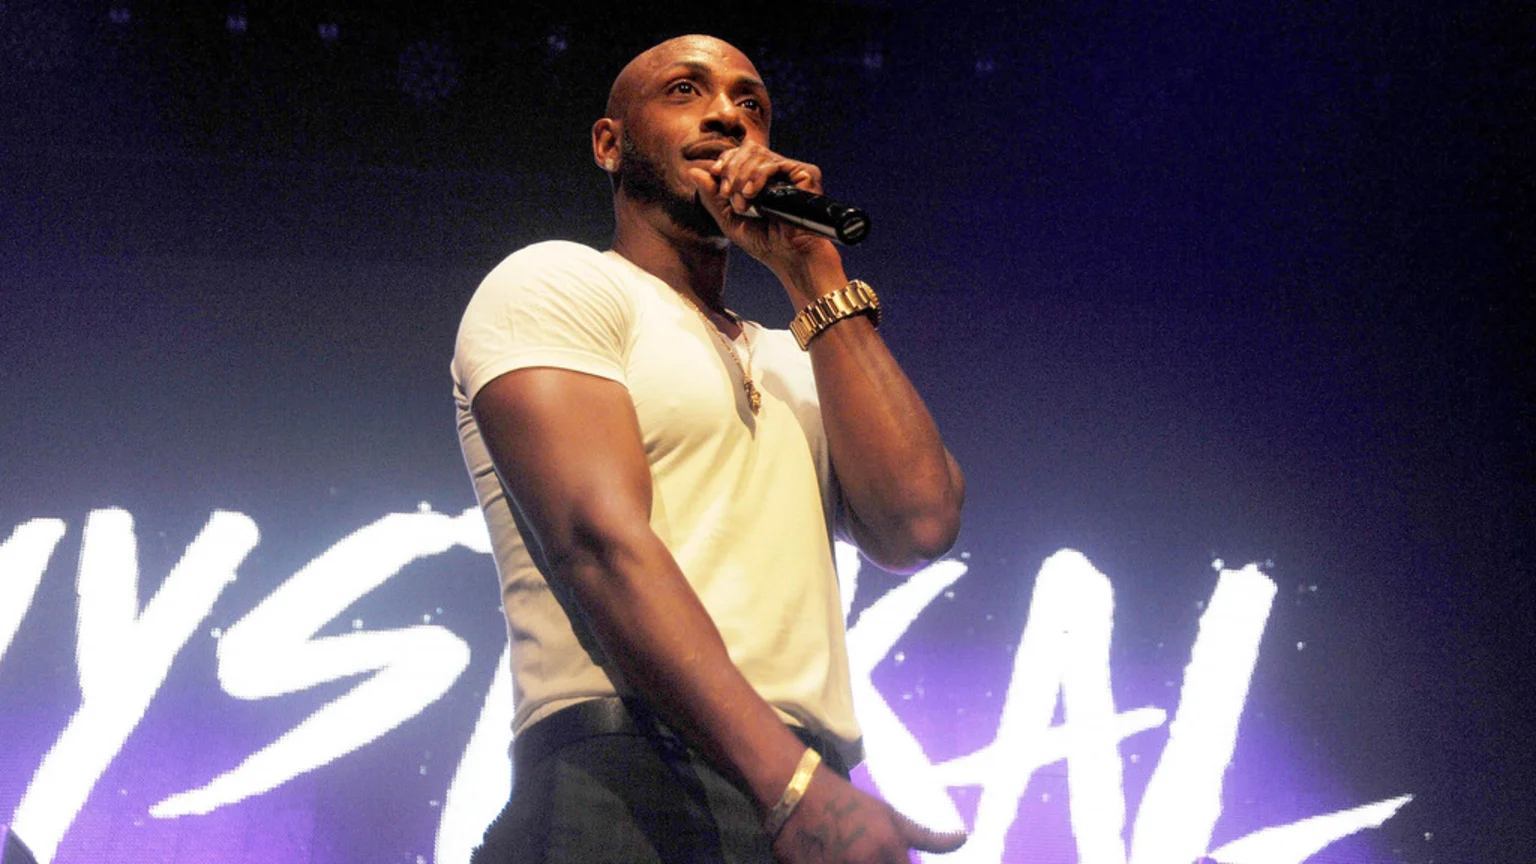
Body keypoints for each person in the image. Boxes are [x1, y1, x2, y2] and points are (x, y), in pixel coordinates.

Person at [452, 33, 966, 864]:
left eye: (751, 102)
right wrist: (792, 787)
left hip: (798, 787)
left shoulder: (799, 355)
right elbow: (600, 543)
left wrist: (814, 273)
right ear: (609, 144)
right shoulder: (556, 283)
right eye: (686, 91)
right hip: (627, 781)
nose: (728, 113)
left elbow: (921, 520)